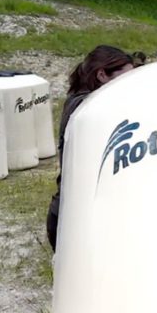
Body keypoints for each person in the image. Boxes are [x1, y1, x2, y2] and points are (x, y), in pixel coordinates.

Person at [46, 46, 135, 251]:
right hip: (74, 222)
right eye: (125, 79)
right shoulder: (88, 109)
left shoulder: (83, 102)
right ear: (102, 75)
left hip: (72, 216)